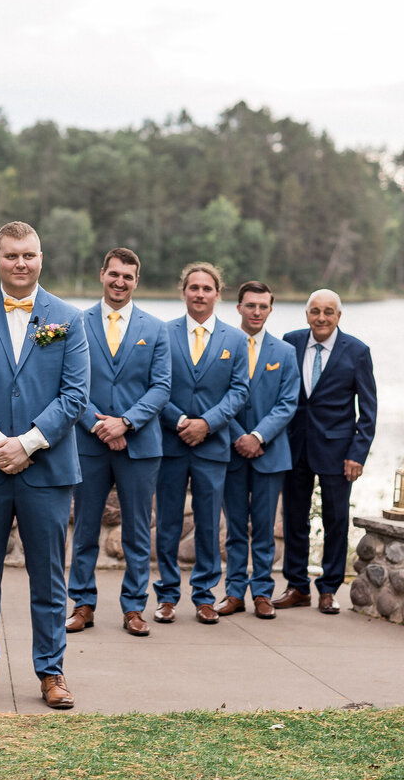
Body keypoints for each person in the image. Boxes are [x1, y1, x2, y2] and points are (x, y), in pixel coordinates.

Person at [0, 221, 89, 709]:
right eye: (11, 256)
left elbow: (75, 395)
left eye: (29, 255)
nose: (20, 264)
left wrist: (27, 443)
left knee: (48, 578)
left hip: (46, 471)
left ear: (41, 258)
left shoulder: (68, 319)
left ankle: (52, 673)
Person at [65, 247, 171, 638]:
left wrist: (125, 423)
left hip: (140, 447)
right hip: (88, 444)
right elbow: (70, 383)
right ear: (102, 275)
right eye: (114, 274)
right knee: (85, 529)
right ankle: (82, 604)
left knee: (138, 532)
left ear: (136, 281)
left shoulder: (155, 328)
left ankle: (133, 609)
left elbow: (161, 387)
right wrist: (99, 426)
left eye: (127, 276)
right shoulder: (77, 323)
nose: (120, 282)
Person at [155, 262, 249, 625]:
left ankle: (205, 596)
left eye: (206, 288)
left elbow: (239, 391)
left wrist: (206, 424)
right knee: (168, 522)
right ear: (184, 291)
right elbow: (157, 385)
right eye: (193, 287)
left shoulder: (235, 339)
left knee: (210, 524)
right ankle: (166, 596)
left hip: (212, 446)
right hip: (172, 442)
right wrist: (181, 421)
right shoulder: (164, 334)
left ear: (217, 294)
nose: (199, 294)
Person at [276, 288, 377, 614]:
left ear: (338, 316)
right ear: (307, 314)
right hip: (294, 447)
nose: (321, 318)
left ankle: (329, 589)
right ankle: (296, 586)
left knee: (336, 520)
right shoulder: (289, 342)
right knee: (294, 519)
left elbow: (369, 411)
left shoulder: (357, 351)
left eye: (328, 312)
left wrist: (357, 454)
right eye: (315, 311)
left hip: (338, 452)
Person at [214, 281, 299, 620]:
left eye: (263, 306)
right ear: (238, 307)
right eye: (251, 305)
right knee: (235, 528)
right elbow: (218, 397)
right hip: (232, 450)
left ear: (270, 309)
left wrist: (258, 436)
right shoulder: (223, 346)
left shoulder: (284, 352)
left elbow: (288, 403)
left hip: (270, 452)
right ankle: (234, 592)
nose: (257, 312)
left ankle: (262, 592)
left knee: (263, 528)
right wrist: (239, 436)